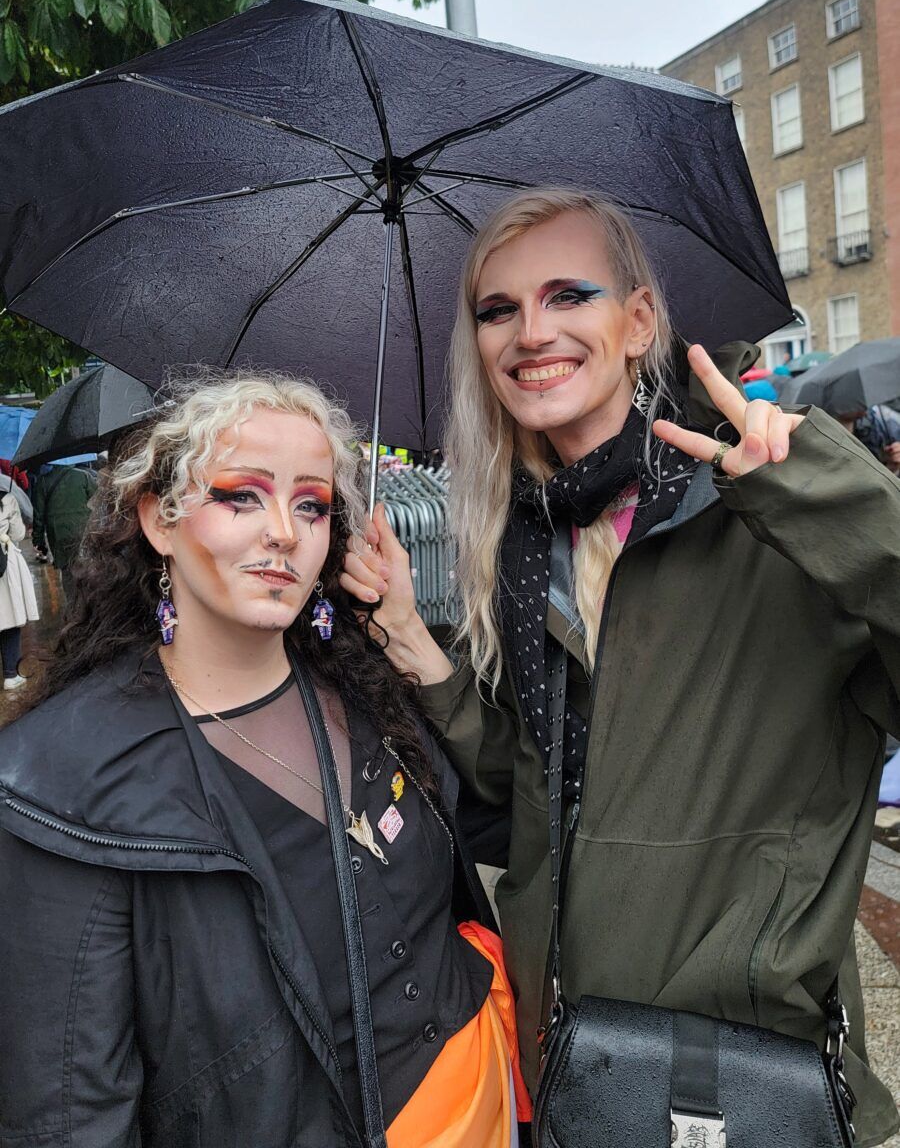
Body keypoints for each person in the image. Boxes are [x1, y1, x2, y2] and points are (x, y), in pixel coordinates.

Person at [341, 189, 900, 1146]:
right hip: (571, 1058)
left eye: (569, 295)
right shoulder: (525, 545)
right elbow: (527, 789)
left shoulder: (764, 499)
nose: (531, 332)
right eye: (497, 308)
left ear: (638, 321)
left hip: (735, 1069)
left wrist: (818, 497)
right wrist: (408, 633)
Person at [0, 372, 528, 1147]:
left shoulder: (372, 688)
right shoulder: (59, 786)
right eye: (241, 496)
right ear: (159, 518)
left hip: (484, 1101)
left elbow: (506, 826)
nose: (284, 530)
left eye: (311, 504)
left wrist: (408, 636)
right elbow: (69, 1114)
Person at [30, 461, 97, 603]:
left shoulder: (42, 481)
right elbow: (97, 503)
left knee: (67, 572)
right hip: (83, 530)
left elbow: (38, 516)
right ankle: (89, 604)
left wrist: (38, 540)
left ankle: (74, 608)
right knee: (87, 566)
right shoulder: (84, 476)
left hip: (57, 535)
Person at [0, 473, 39, 691]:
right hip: (4, 566)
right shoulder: (8, 499)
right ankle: (10, 675)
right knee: (8, 618)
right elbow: (18, 533)